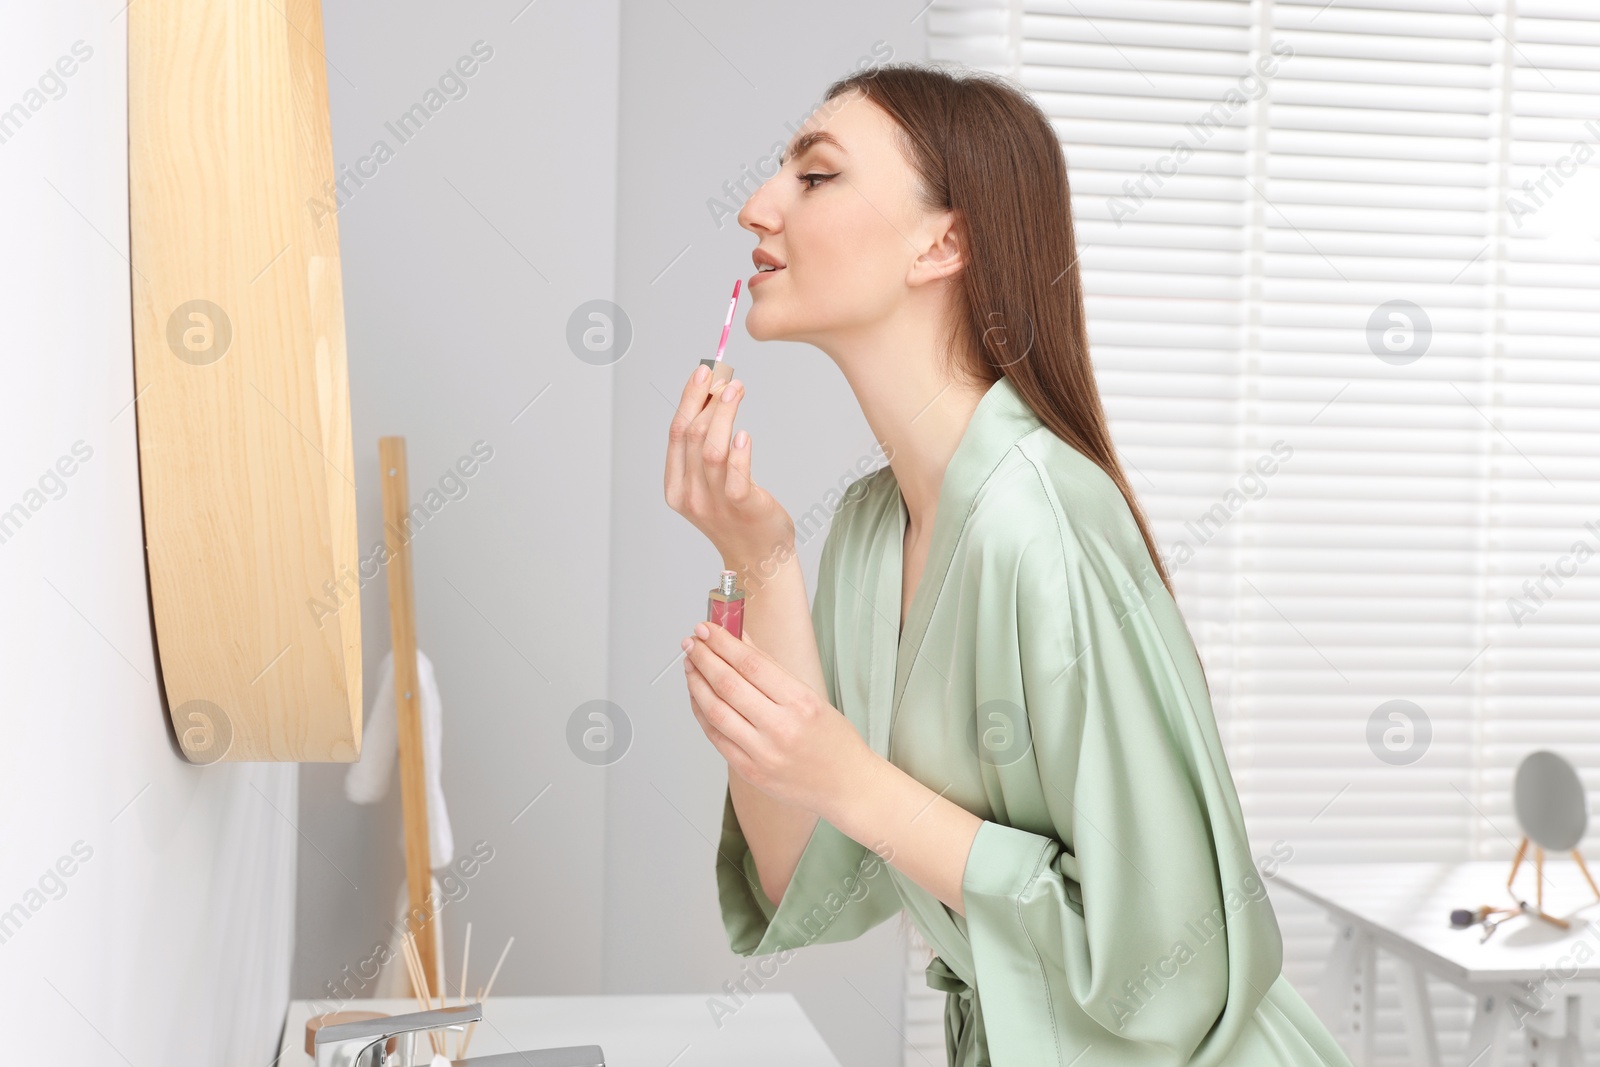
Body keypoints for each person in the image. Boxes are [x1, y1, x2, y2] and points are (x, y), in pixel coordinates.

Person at [664, 62, 1352, 1067]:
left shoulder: (1042, 525)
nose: (756, 207)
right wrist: (757, 558)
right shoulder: (867, 527)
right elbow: (798, 881)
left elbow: (1176, 970)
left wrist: (853, 780)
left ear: (942, 239)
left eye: (813, 177)